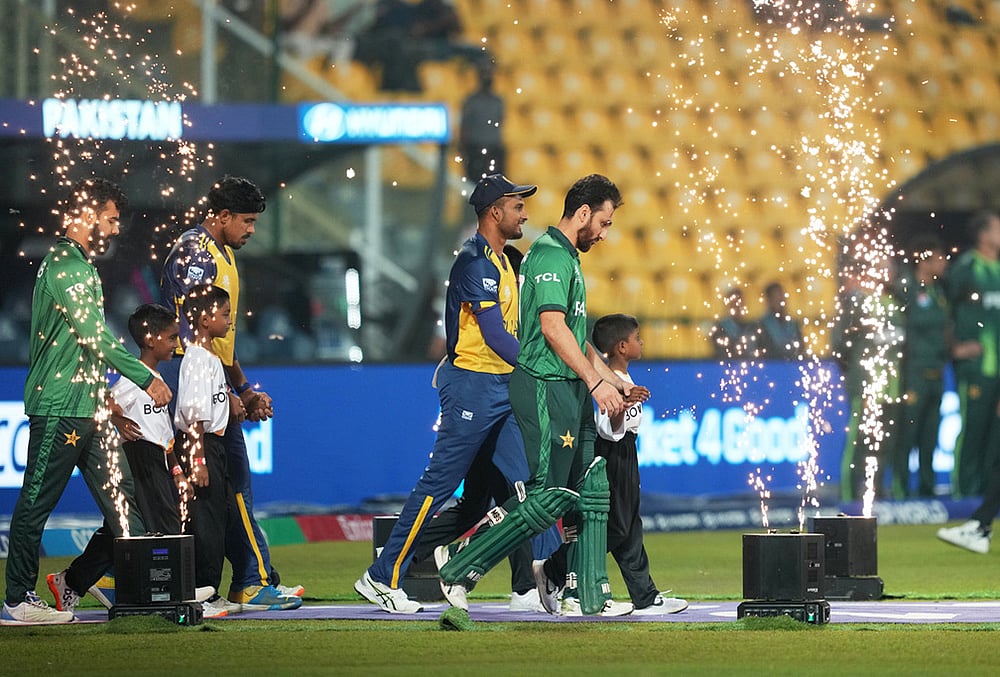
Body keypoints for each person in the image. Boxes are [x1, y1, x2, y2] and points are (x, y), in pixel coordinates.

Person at [436, 174, 647, 617]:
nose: (605, 234)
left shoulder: (567, 257)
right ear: (583, 213)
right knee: (548, 495)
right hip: (546, 388)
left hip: (571, 389)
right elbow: (551, 328)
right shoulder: (551, 254)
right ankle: (460, 562)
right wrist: (595, 382)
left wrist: (612, 378)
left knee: (589, 488)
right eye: (604, 223)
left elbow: (574, 333)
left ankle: (577, 590)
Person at [354, 174, 538, 614]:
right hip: (473, 385)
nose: (524, 214)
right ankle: (381, 577)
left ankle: (528, 584)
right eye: (517, 206)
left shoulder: (501, 262)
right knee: (438, 486)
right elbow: (494, 334)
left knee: (527, 488)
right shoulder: (475, 263)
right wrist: (540, 366)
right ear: (495, 211)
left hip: (499, 385)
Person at [3, 178, 172, 625]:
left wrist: (108, 404)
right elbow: (95, 338)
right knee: (36, 501)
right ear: (87, 211)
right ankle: (18, 598)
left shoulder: (77, 264)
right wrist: (144, 376)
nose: (116, 230)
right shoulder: (67, 267)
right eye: (112, 219)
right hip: (59, 409)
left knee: (124, 499)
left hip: (89, 409)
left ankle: (146, 593)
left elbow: (81, 348)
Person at [160, 176, 303, 611]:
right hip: (193, 384)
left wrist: (242, 386)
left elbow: (221, 337)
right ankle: (250, 580)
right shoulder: (196, 253)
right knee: (228, 485)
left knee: (216, 489)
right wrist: (225, 388)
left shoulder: (221, 253)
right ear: (221, 217)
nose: (252, 230)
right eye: (246, 221)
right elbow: (192, 333)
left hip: (212, 379)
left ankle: (249, 578)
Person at [590, 313, 687, 615]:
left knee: (630, 526)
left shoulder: (625, 381)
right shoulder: (605, 381)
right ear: (621, 346)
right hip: (612, 454)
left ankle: (644, 596)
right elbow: (607, 428)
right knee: (618, 527)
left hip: (627, 452)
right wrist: (624, 404)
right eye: (636, 338)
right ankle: (557, 571)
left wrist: (627, 401)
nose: (641, 342)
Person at [174, 285, 246, 618]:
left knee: (221, 517)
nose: (230, 321)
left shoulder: (210, 358)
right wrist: (198, 461)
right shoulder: (196, 360)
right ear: (205, 319)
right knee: (206, 521)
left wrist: (232, 400)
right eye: (225, 314)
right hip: (201, 444)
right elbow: (192, 414)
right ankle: (202, 591)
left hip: (212, 444)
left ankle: (210, 588)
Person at [108, 304, 188, 536]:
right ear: (151, 340)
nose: (176, 344)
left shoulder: (156, 378)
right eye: (172, 338)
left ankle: (73, 575)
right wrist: (117, 420)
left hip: (157, 458)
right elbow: (104, 402)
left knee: (126, 525)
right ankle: (170, 571)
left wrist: (176, 471)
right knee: (166, 523)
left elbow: (164, 434)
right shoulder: (134, 378)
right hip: (141, 456)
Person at [940, 211, 1000, 498]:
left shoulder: (998, 267)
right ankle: (962, 493)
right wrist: (954, 348)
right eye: (997, 228)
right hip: (976, 366)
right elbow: (943, 309)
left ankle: (987, 493)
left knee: (994, 433)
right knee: (973, 428)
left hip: (998, 366)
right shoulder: (965, 268)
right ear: (983, 235)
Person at [894, 237, 950, 497]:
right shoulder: (906, 287)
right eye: (939, 257)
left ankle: (927, 491)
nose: (943, 263)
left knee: (930, 436)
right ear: (925, 259)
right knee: (908, 433)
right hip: (913, 372)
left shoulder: (938, 291)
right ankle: (901, 489)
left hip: (936, 371)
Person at [460, 61, 506, 182]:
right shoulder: (471, 101)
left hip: (493, 151)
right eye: (484, 73)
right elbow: (464, 126)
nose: (487, 77)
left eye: (489, 73)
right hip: (474, 151)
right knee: (474, 186)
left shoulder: (498, 101)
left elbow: (500, 121)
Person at [756, 281, 803, 359]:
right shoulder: (761, 325)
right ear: (769, 300)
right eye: (775, 297)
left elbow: (801, 350)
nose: (779, 300)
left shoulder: (793, 324)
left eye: (780, 296)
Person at [709, 287, 759, 359]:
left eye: (739, 303)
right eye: (734, 303)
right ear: (728, 305)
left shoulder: (752, 327)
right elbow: (720, 353)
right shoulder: (720, 328)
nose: (737, 306)